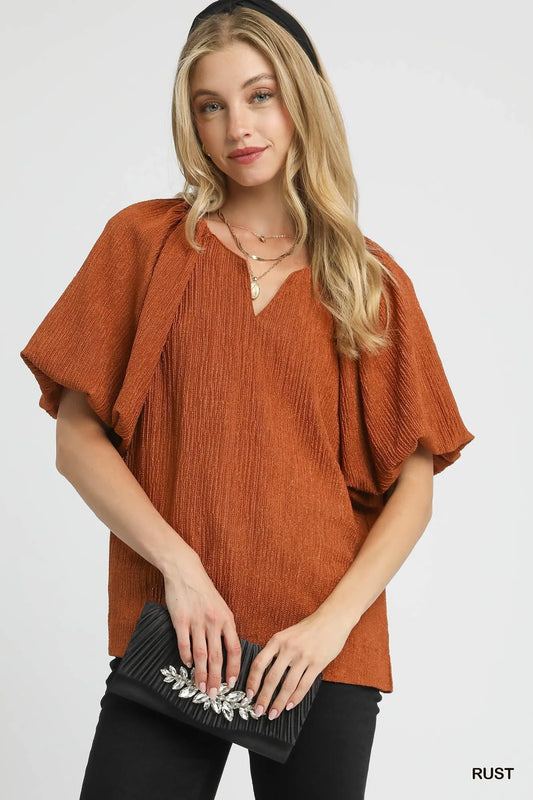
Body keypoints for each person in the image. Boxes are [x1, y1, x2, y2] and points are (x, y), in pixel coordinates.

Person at [19, 1, 475, 798]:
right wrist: (180, 568)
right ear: (190, 120)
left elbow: (414, 484)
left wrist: (330, 628)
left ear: (301, 98)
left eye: (260, 95)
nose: (238, 126)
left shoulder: (367, 281)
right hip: (175, 632)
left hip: (321, 650)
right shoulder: (146, 243)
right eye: (211, 105)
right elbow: (75, 433)